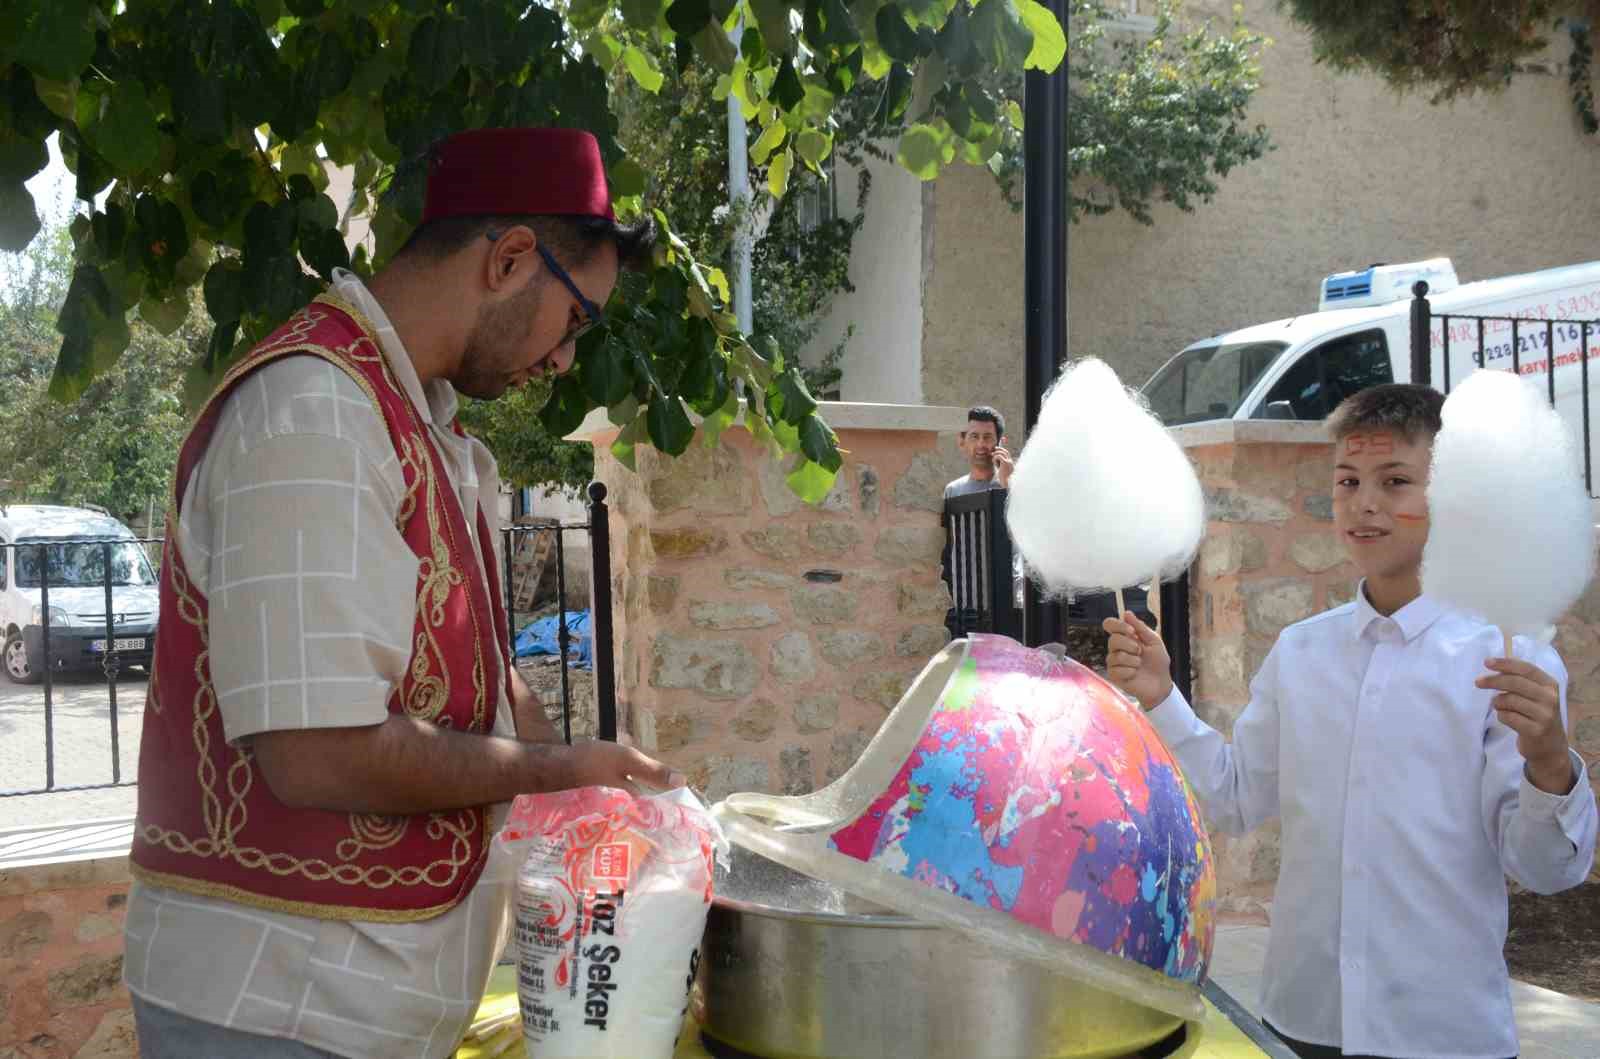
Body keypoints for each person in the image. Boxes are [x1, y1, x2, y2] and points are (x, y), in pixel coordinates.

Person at [123, 127, 682, 1059]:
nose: (563, 361)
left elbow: (477, 685)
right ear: (508, 259)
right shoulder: (314, 412)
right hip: (276, 1013)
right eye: (576, 318)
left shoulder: (420, 426)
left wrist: (594, 793)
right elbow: (318, 752)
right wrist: (551, 772)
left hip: (345, 1012)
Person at [1104, 383, 1597, 1059]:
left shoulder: (1506, 660)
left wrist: (1550, 761)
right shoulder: (1301, 652)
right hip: (1304, 1019)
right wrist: (1161, 695)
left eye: (1396, 481)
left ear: (1454, 495)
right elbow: (1235, 795)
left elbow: (1543, 867)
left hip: (1447, 1031)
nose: (1365, 502)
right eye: (1348, 481)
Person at [944, 405, 1014, 498]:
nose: (981, 444)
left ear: (1001, 443)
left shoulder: (1016, 486)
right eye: (974, 436)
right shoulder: (953, 491)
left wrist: (1008, 483)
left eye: (987, 437)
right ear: (962, 442)